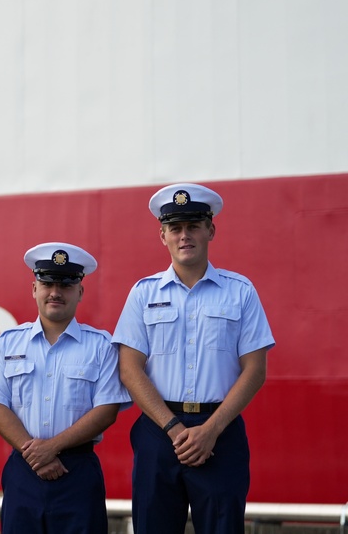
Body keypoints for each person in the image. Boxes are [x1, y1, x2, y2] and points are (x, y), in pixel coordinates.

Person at [112, 183, 275, 534]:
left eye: (193, 226)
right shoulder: (143, 294)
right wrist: (173, 428)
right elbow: (129, 367)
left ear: (210, 230)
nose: (184, 236)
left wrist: (211, 430)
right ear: (163, 235)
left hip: (221, 433)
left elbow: (255, 369)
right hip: (158, 432)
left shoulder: (240, 292)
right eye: (175, 228)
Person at [0, 242, 129, 534]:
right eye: (47, 283)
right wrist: (35, 454)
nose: (55, 292)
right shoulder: (9, 342)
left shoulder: (100, 346)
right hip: (23, 470)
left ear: (80, 292)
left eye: (66, 284)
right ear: (34, 288)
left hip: (77, 471)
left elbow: (107, 410)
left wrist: (51, 448)